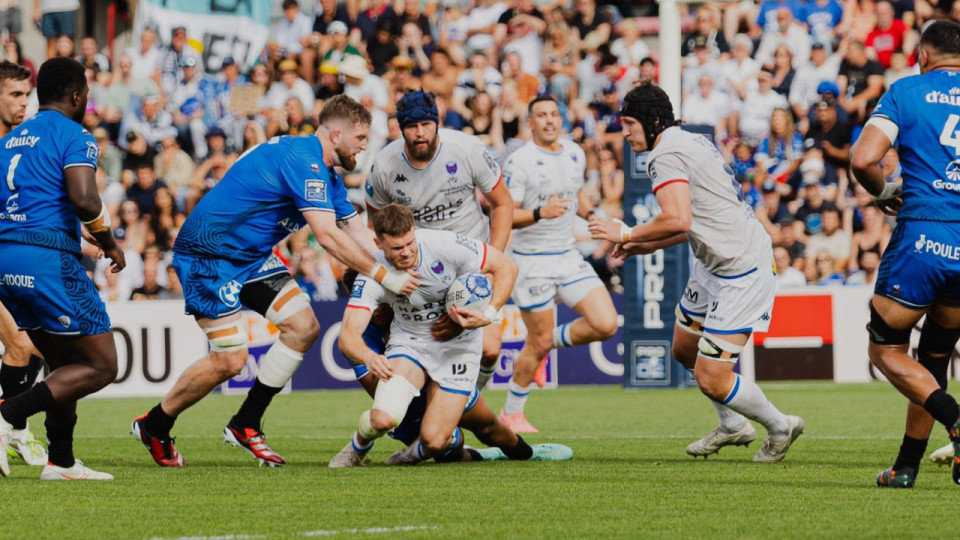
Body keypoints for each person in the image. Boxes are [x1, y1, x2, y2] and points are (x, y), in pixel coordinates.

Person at [130, 95, 419, 468]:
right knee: (231, 361)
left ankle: (246, 424)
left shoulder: (326, 173)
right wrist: (384, 276)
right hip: (210, 253)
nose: (364, 146)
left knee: (303, 327)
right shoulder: (304, 161)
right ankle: (155, 424)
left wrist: (400, 266)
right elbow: (328, 236)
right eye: (360, 138)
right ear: (335, 135)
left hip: (250, 254)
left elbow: (356, 231)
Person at [589, 81, 804, 463]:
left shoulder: (664, 155)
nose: (624, 132)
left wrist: (626, 231)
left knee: (712, 376)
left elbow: (678, 217)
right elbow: (694, 221)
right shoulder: (686, 141)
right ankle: (734, 425)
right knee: (684, 349)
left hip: (741, 268)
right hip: (714, 263)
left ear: (652, 122)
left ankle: (779, 426)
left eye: (629, 124)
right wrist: (645, 244)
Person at [0, 57, 126, 480]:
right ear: (77, 96)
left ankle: (62, 461)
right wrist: (109, 243)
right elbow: (86, 199)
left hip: (8, 259)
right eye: (86, 93)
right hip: (47, 258)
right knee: (102, 365)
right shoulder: (76, 134)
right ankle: (7, 415)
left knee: (62, 360)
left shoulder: (13, 139)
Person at [849, 19, 960, 489]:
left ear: (922, 55)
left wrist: (880, 192)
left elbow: (862, 159)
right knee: (933, 358)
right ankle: (906, 467)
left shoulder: (906, 89)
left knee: (886, 348)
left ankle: (956, 422)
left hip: (922, 236)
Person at [327, 270, 573, 467]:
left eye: (384, 301)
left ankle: (527, 453)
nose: (379, 309)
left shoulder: (412, 312)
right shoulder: (358, 339)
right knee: (450, 448)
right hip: (408, 409)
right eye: (373, 304)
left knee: (492, 427)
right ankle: (474, 455)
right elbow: (378, 390)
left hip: (444, 380)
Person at [333, 204, 517, 465]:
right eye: (397, 248)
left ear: (414, 232)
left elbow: (506, 267)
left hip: (457, 347)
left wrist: (488, 314)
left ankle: (524, 452)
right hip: (410, 343)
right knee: (384, 418)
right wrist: (369, 357)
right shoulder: (372, 275)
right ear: (379, 243)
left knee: (437, 440)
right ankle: (357, 447)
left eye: (410, 243)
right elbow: (348, 336)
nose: (406, 252)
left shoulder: (443, 243)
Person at [365, 90, 513, 390]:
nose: (419, 133)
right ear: (400, 127)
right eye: (411, 126)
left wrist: (489, 266)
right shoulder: (384, 165)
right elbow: (374, 228)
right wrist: (385, 281)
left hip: (471, 262)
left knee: (489, 349)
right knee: (417, 350)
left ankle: (469, 403)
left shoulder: (467, 148)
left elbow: (503, 204)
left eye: (426, 125)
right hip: (419, 268)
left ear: (437, 122)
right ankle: (428, 423)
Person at [499, 96, 617, 433]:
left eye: (554, 114)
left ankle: (547, 341)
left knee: (605, 323)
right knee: (533, 346)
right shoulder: (520, 161)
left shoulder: (574, 152)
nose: (549, 121)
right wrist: (540, 213)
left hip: (567, 256)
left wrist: (592, 214)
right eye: (542, 116)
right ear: (530, 123)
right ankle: (511, 414)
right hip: (532, 262)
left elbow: (575, 194)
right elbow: (506, 214)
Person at [0, 61, 48, 467]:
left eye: (26, 95)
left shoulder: (18, 145)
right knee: (20, 343)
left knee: (35, 343)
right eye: (14, 95)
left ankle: (15, 431)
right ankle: (12, 429)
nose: (24, 103)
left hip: (12, 256)